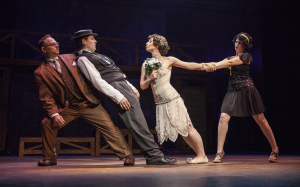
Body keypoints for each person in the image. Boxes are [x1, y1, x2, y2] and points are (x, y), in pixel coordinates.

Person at [73, 29, 176, 165]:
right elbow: (97, 81)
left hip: (123, 86)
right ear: (84, 41)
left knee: (139, 121)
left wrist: (131, 87)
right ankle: (154, 155)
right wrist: (118, 96)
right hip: (117, 90)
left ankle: (154, 155)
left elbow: (116, 73)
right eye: (92, 38)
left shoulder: (97, 56)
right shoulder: (83, 59)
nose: (95, 41)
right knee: (137, 122)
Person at [34, 35, 134, 166]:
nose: (56, 45)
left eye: (57, 43)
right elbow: (46, 96)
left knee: (109, 127)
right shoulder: (40, 72)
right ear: (44, 49)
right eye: (52, 44)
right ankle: (50, 157)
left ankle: (127, 155)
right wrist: (54, 114)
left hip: (89, 103)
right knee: (47, 123)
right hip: (70, 106)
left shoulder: (71, 57)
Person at [203, 32, 279, 163]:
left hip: (247, 89)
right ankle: (219, 152)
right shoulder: (230, 57)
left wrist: (213, 66)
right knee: (223, 117)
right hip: (232, 90)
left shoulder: (245, 56)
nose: (236, 45)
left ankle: (275, 149)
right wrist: (208, 66)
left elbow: (227, 63)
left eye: (240, 43)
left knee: (260, 119)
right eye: (236, 42)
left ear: (245, 45)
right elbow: (220, 63)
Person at [140, 33, 209, 164]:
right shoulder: (146, 64)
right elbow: (143, 86)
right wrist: (149, 78)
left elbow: (188, 65)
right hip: (160, 102)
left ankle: (202, 155)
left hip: (172, 98)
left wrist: (203, 66)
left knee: (187, 127)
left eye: (150, 41)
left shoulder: (169, 60)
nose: (147, 43)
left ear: (157, 45)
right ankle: (200, 155)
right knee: (182, 130)